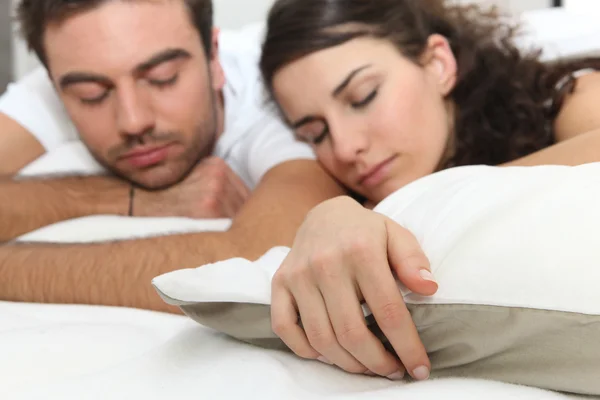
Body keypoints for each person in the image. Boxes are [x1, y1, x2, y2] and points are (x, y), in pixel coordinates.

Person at [258, 0, 600, 383]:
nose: (343, 147)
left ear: (438, 64)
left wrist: (414, 204)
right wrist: (331, 215)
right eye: (314, 134)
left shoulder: (564, 95)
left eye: (363, 97)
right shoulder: (349, 192)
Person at [0, 0, 360, 317]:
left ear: (214, 58)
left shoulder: (277, 92)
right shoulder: (72, 64)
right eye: (91, 95)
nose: (133, 120)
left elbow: (258, 262)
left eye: (162, 78)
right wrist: (125, 199)